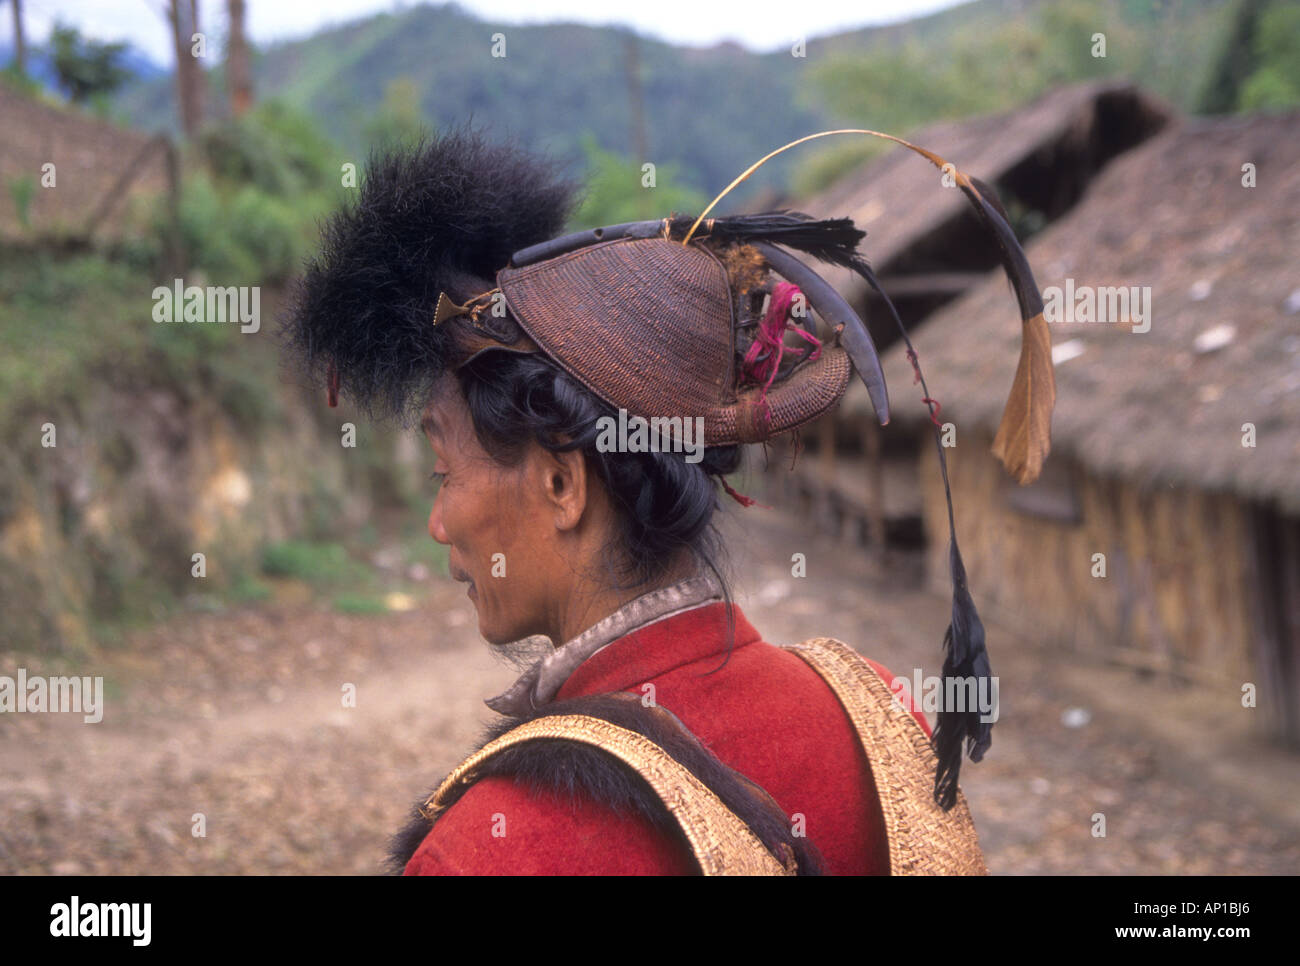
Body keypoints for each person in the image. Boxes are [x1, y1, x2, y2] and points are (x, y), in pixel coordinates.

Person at [285, 124, 1052, 875]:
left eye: (443, 472)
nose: (438, 523)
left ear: (562, 483)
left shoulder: (492, 851)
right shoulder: (881, 716)